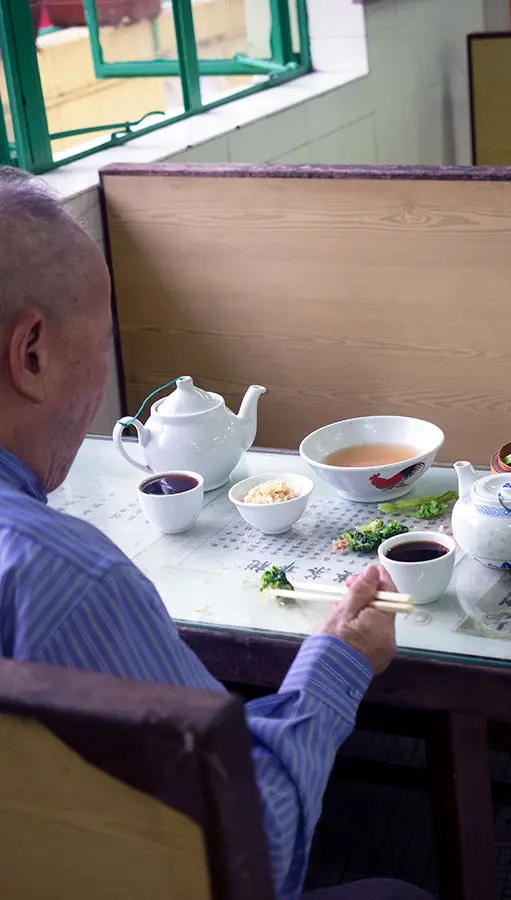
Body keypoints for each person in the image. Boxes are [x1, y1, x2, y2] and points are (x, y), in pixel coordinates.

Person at [0, 168, 432, 900]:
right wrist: (337, 659)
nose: (101, 377)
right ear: (32, 353)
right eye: (99, 344)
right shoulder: (66, 575)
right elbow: (251, 843)